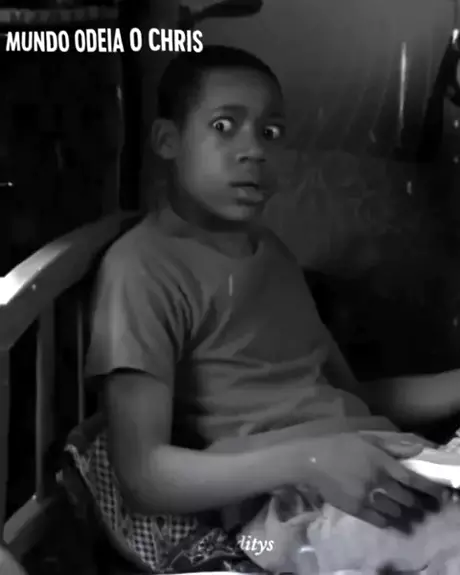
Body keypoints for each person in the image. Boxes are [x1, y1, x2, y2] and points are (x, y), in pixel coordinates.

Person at [84, 45, 456, 572]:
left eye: (271, 132)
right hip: (297, 508)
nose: (254, 149)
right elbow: (143, 476)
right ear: (167, 140)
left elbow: (351, 396)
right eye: (223, 126)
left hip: (389, 460)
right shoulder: (142, 268)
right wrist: (311, 460)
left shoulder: (272, 253)